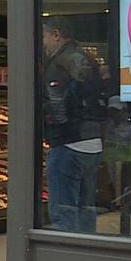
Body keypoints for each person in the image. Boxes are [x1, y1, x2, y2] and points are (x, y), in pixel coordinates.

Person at [42, 17, 106, 233]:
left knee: (64, 210)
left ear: (57, 34)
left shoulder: (60, 63)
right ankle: (89, 254)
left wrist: (51, 131)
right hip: (93, 141)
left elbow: (56, 103)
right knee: (86, 206)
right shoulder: (89, 59)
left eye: (45, 36)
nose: (44, 43)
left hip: (68, 142)